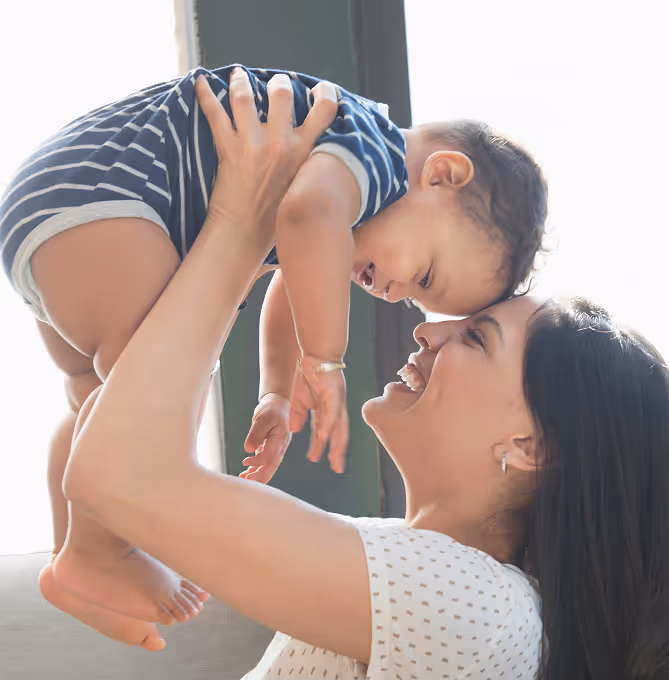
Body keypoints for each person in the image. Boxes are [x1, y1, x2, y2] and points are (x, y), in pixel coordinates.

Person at [61, 70, 669, 679]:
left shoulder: (481, 610)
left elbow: (117, 475)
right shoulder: (411, 568)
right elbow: (121, 473)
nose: (428, 329)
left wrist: (242, 215)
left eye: (477, 337)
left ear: (532, 445)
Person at [0, 64, 547, 632]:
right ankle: (100, 555)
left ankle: (75, 562)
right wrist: (324, 356)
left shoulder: (340, 187)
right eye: (425, 275)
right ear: (444, 174)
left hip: (57, 209)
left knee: (95, 396)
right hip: (108, 203)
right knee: (155, 384)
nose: (395, 294)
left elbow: (293, 272)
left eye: (414, 297)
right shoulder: (372, 151)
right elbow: (305, 218)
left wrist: (277, 395)